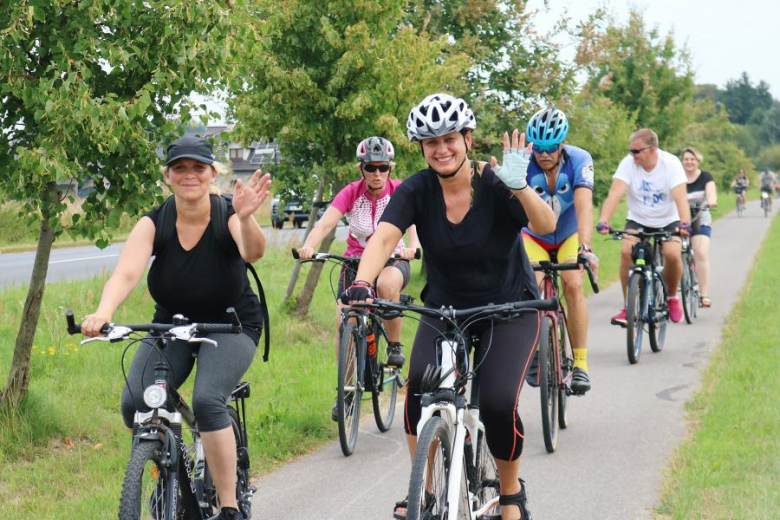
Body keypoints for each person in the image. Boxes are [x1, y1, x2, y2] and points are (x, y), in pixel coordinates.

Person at [344, 93, 555, 520]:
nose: (441, 149)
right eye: (430, 142)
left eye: (449, 139)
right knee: (418, 390)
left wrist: (520, 187)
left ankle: (511, 494)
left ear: (467, 139)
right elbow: (384, 238)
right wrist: (364, 282)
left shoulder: (494, 182)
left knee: (496, 402)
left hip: (509, 308)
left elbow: (546, 225)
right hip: (446, 310)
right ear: (421, 149)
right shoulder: (418, 190)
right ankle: (421, 492)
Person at [81, 136, 271, 520]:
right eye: (180, 168)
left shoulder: (227, 215)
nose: (189, 175)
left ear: (212, 173)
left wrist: (247, 216)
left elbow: (253, 252)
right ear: (167, 176)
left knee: (206, 400)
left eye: (198, 168)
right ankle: (168, 468)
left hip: (231, 324)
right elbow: (126, 273)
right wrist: (103, 312)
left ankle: (230, 506)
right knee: (136, 402)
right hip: (174, 324)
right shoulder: (155, 222)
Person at [296, 136, 420, 420]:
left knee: (388, 285)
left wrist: (414, 246)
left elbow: (413, 223)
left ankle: (396, 346)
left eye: (383, 168)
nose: (377, 174)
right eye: (370, 168)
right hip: (355, 262)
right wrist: (310, 246)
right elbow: (326, 222)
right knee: (345, 319)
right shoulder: (350, 192)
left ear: (390, 167)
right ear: (361, 168)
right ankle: (347, 391)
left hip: (393, 260)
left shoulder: (399, 191)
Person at [512, 107, 598, 394]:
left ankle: (581, 364)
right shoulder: (523, 162)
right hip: (533, 235)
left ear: (562, 144)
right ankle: (536, 349)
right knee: (531, 289)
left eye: (550, 148)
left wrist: (585, 248)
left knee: (573, 285)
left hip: (568, 234)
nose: (543, 154)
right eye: (538, 148)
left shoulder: (580, 160)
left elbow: (584, 206)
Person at [597, 128, 691, 325]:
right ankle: (627, 306)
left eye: (636, 151)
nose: (632, 155)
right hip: (638, 219)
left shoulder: (671, 164)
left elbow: (680, 198)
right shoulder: (628, 164)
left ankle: (672, 297)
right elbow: (615, 194)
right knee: (625, 252)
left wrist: (685, 224)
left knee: (673, 254)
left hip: (668, 220)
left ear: (652, 150)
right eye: (631, 151)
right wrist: (604, 220)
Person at [681, 147, 717, 308]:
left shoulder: (705, 176)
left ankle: (704, 295)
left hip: (699, 219)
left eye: (692, 159)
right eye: (686, 159)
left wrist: (710, 201)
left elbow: (711, 194)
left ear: (698, 161)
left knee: (700, 252)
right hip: (680, 221)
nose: (689, 162)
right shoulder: (677, 178)